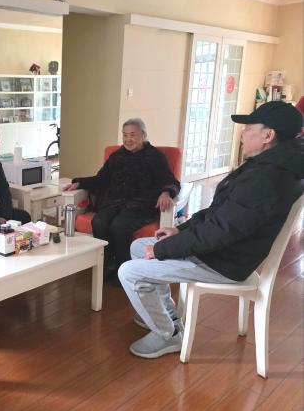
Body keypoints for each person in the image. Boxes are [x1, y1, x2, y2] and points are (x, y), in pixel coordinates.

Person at [118, 100, 303, 358]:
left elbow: (219, 231)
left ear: (268, 136)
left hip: (223, 261)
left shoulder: (267, 179)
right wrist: (180, 231)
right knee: (139, 247)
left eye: (249, 127)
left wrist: (162, 250)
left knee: (129, 272)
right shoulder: (267, 165)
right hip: (221, 250)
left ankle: (168, 335)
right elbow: (220, 214)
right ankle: (167, 316)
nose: (243, 133)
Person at [61, 119, 178, 283]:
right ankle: (105, 262)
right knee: (99, 221)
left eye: (132, 135)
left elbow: (170, 181)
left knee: (119, 226)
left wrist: (166, 193)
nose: (128, 140)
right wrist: (79, 183)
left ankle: (123, 268)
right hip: (115, 202)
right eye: (125, 135)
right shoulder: (117, 156)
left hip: (141, 204)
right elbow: (101, 179)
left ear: (143, 135)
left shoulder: (155, 157)